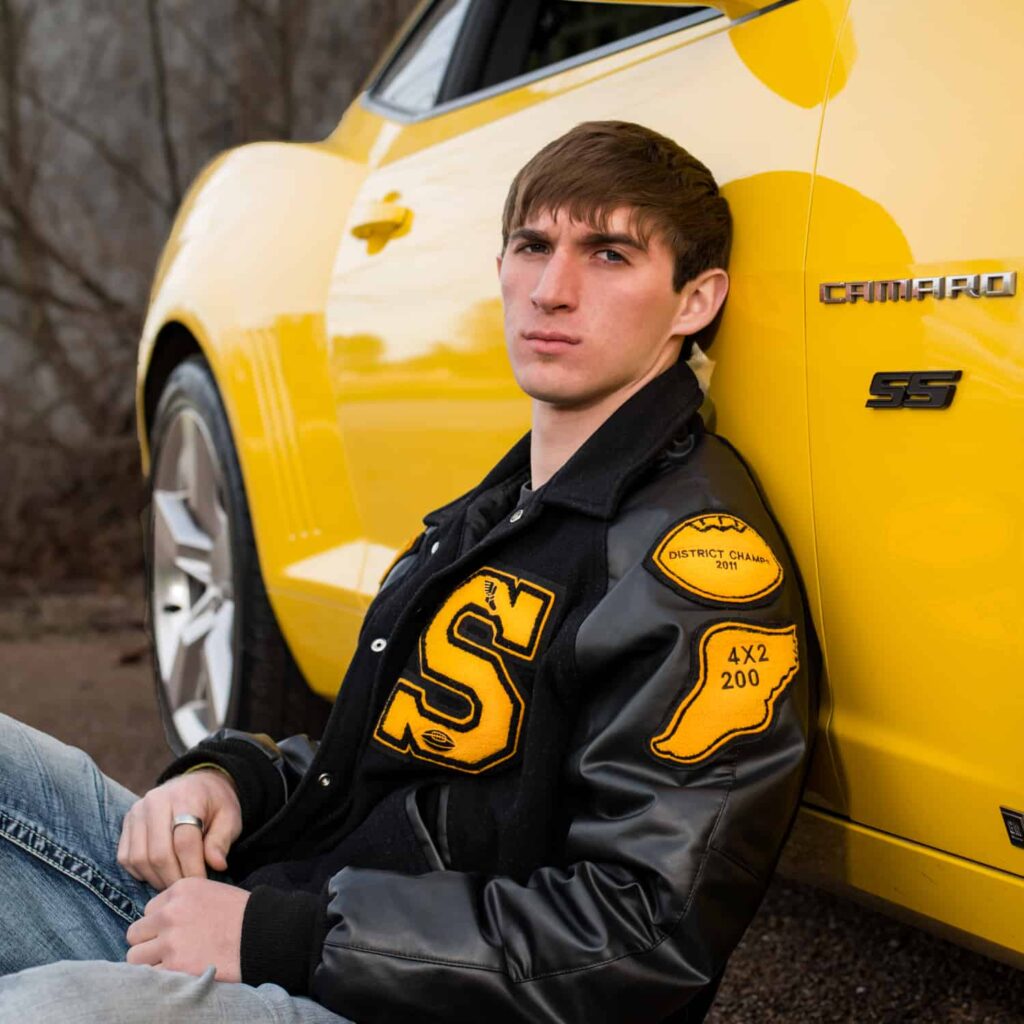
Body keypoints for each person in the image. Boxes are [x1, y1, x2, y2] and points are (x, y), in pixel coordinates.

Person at [0, 120, 816, 1023]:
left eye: (610, 254)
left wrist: (279, 937)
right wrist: (229, 780)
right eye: (532, 247)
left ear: (695, 299)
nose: (551, 290)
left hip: (401, 999)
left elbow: (643, 934)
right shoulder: (504, 511)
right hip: (281, 934)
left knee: (48, 1011)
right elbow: (381, 769)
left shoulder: (694, 564)